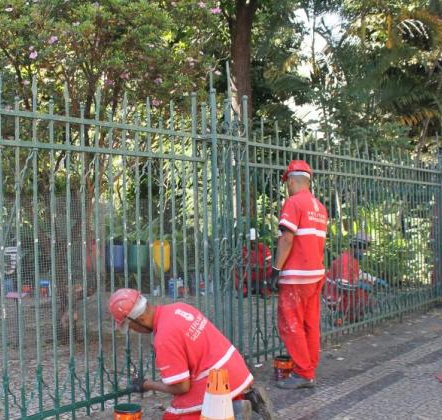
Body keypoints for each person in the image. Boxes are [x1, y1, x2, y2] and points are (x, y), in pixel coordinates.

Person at [108, 288, 272, 419]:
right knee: (218, 400)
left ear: (140, 319)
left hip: (215, 381)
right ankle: (235, 406)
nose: (133, 331)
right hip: (236, 372)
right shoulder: (179, 308)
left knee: (172, 416)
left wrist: (146, 385)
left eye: (131, 327)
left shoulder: (164, 338)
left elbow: (182, 387)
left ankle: (232, 414)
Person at [268, 160, 328, 389]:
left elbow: (287, 238)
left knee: (290, 324)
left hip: (296, 276)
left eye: (287, 183)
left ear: (292, 181)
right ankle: (309, 368)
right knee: (310, 324)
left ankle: (303, 373)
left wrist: (276, 269)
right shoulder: (319, 207)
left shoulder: (293, 203)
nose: (287, 187)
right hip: (315, 274)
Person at [325, 233, 390, 323]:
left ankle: (350, 316)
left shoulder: (352, 259)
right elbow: (342, 285)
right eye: (363, 249)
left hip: (342, 295)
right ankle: (341, 316)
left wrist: (375, 280)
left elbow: (359, 274)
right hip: (335, 297)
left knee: (366, 287)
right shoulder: (345, 260)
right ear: (356, 247)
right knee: (363, 293)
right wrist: (360, 285)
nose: (364, 252)